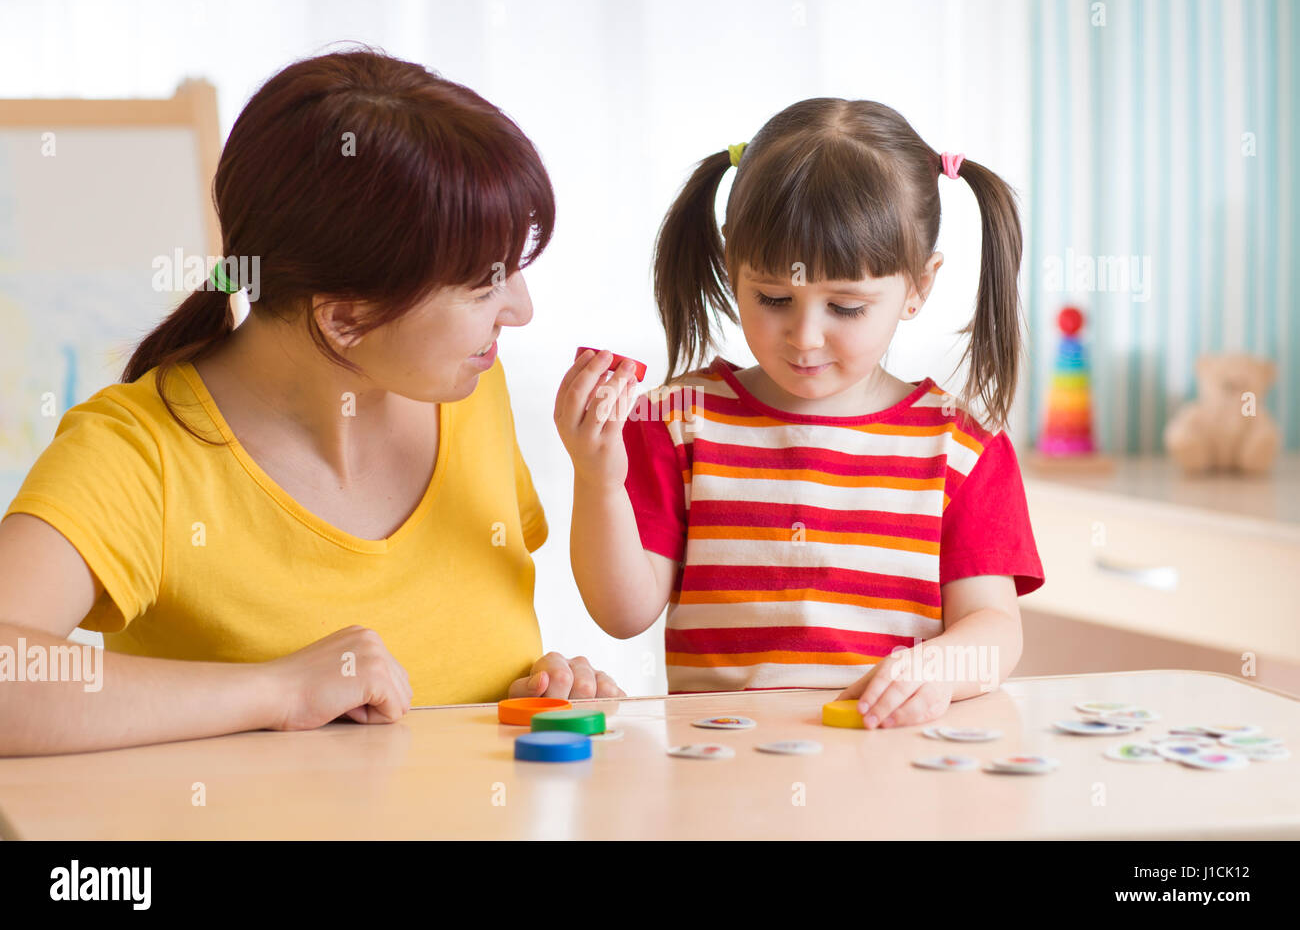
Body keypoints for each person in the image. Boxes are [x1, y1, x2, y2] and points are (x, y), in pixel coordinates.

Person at [0, 48, 623, 758]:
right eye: (484, 285)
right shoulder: (142, 452)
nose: (522, 310)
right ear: (344, 319)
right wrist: (276, 692)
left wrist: (539, 693)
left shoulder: (473, 391)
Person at [556, 98, 1044, 729]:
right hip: (721, 785)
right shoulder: (676, 423)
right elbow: (622, 613)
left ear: (920, 286)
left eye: (845, 307)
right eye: (774, 297)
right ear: (733, 266)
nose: (805, 336)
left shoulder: (962, 448)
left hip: (890, 779)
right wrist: (596, 478)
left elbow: (996, 628)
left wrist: (938, 668)